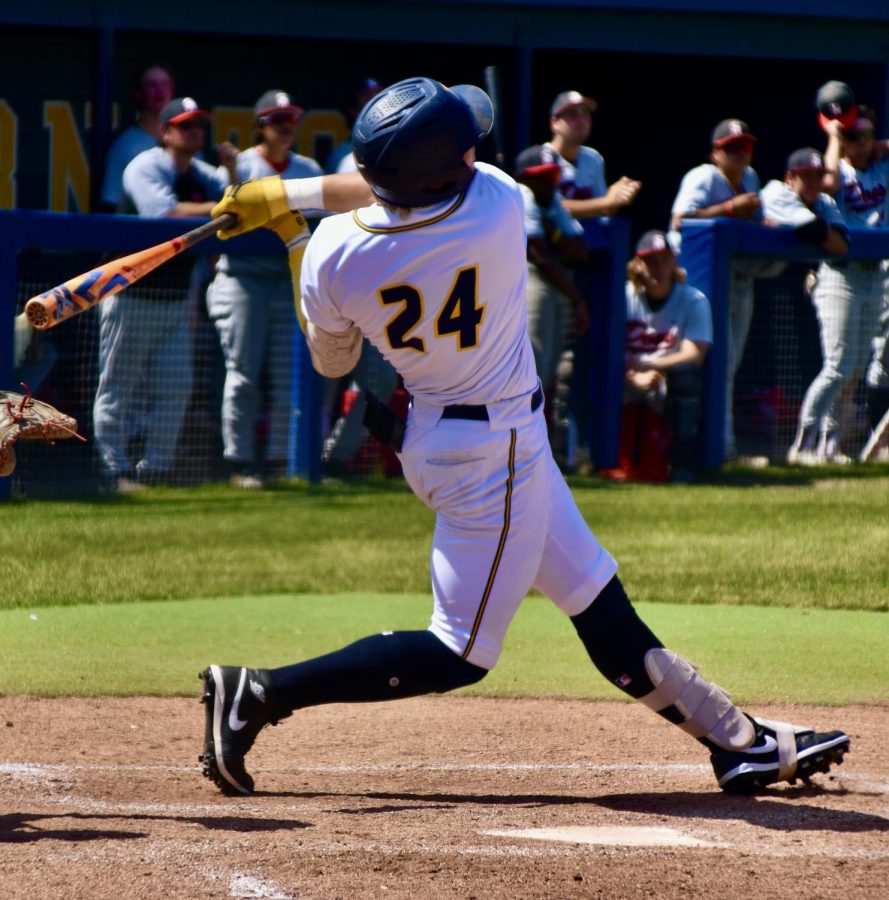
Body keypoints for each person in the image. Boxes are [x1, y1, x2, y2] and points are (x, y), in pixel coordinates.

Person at [199, 76, 849, 798]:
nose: (476, 153)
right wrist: (296, 204)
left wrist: (290, 221)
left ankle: (739, 744)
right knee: (459, 652)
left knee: (595, 598)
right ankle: (258, 692)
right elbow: (400, 185)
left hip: (453, 439)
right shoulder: (497, 203)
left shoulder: (332, 256)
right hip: (494, 454)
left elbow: (333, 359)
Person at [93, 97, 234, 490]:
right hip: (130, 293)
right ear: (165, 132)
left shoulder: (202, 173)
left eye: (199, 125)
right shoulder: (146, 165)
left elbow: (236, 196)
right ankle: (113, 470)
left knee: (176, 386)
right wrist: (217, 208)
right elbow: (161, 214)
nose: (194, 133)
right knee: (118, 387)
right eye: (185, 125)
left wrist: (233, 175)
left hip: (173, 298)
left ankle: (155, 468)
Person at [207, 90, 323, 487]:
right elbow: (227, 214)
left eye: (291, 119)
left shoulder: (307, 166)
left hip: (286, 278)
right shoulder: (239, 164)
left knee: (289, 373)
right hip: (243, 277)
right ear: (261, 125)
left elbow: (322, 217)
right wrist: (232, 175)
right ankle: (240, 461)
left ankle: (281, 458)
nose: (287, 127)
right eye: (278, 120)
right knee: (243, 373)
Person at [542, 90, 642, 470]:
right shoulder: (542, 159)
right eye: (571, 113)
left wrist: (606, 205)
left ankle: (571, 450)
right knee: (542, 365)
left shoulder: (592, 160)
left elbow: (598, 221)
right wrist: (608, 203)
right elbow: (546, 205)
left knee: (573, 367)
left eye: (585, 113)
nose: (580, 119)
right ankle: (544, 450)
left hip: (583, 275)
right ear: (554, 122)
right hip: (543, 271)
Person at [786, 106, 889, 464]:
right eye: (851, 135)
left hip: (875, 274)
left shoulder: (881, 166)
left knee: (857, 366)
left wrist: (882, 145)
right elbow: (827, 183)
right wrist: (834, 135)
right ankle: (804, 442)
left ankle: (831, 444)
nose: (857, 142)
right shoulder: (835, 172)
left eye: (864, 135)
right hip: (839, 273)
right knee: (838, 365)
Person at [669, 119, 764, 461]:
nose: (740, 153)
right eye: (731, 147)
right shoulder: (703, 177)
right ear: (715, 152)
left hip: (739, 280)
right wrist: (728, 210)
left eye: (746, 146)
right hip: (699, 283)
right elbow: (680, 221)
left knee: (730, 367)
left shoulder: (751, 179)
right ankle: (719, 447)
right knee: (716, 366)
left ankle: (721, 444)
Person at [759, 147, 851, 464]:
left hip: (768, 278)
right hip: (738, 276)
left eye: (817, 176)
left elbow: (842, 243)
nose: (813, 182)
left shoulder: (824, 202)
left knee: (839, 364)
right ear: (790, 178)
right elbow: (825, 236)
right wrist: (817, 232)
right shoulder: (776, 192)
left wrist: (818, 231)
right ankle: (800, 444)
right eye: (805, 176)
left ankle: (818, 444)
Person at [512, 144, 589, 458]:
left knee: (553, 372)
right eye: (539, 177)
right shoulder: (520, 194)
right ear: (524, 178)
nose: (546, 183)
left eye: (551, 175)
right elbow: (539, 255)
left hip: (557, 284)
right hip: (529, 277)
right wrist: (578, 300)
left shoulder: (552, 200)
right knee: (534, 367)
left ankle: (544, 452)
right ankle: (520, 449)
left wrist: (553, 234)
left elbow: (578, 251)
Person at [620, 229, 712, 484]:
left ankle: (680, 467)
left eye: (664, 259)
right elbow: (605, 351)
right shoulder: (621, 296)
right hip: (625, 378)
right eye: (650, 260)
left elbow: (694, 354)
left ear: (674, 261)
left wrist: (649, 366)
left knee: (687, 379)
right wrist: (633, 376)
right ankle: (598, 458)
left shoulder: (693, 299)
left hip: (664, 379)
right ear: (637, 264)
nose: (658, 267)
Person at [99, 64, 176, 213]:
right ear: (139, 93)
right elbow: (110, 204)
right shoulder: (126, 145)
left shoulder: (186, 141)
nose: (160, 90)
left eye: (164, 84)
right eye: (152, 85)